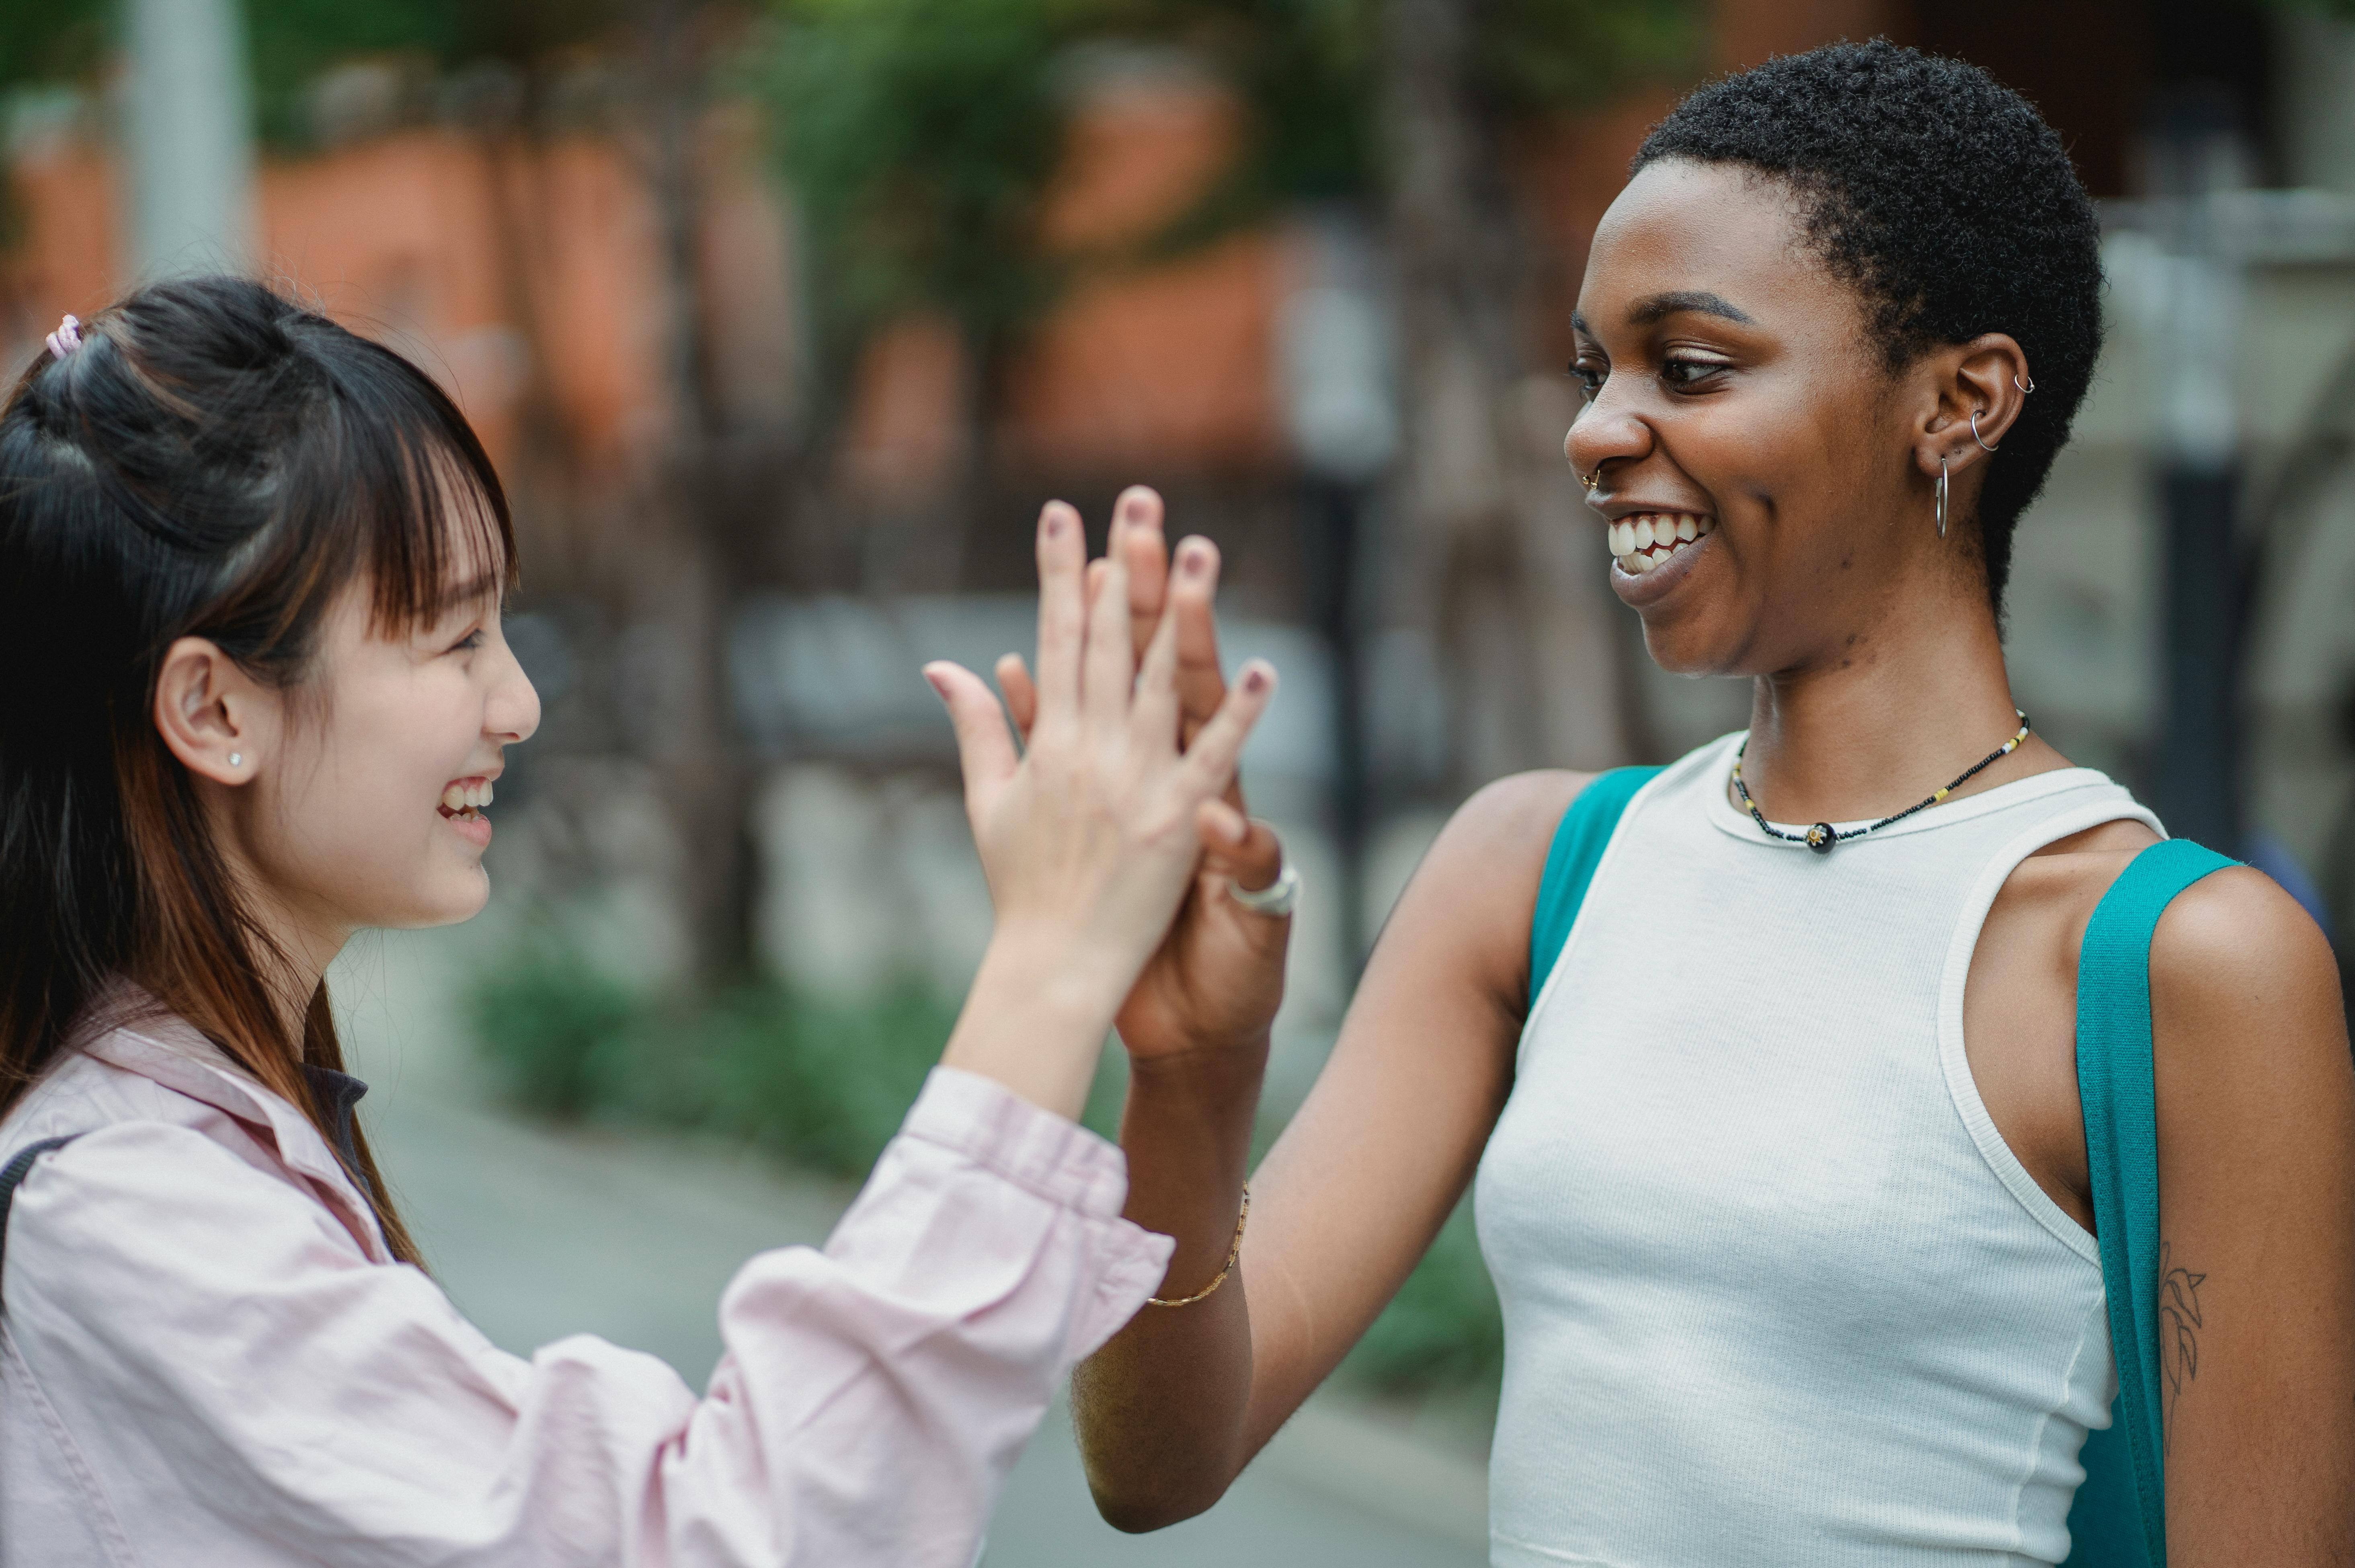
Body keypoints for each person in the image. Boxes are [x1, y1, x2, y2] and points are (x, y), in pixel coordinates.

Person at [1066, 42, 2355, 1564]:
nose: (1595, 433)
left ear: (1957, 403)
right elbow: (1157, 1465)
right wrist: (1194, 1082)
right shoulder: (1533, 872)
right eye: (1591, 370)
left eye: (1686, 367)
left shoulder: (2178, 965)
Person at [0, 276, 1275, 1565]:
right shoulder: (123, 1217)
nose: (517, 707)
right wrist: (1048, 965)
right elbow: (730, 1538)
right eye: (452, 640)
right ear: (214, 712)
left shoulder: (174, 1160)